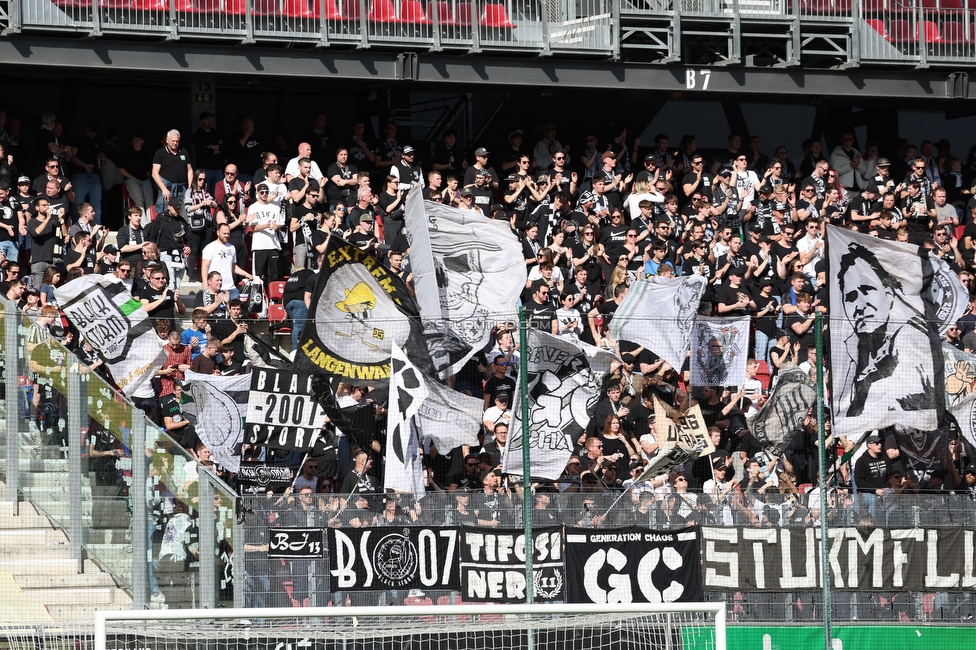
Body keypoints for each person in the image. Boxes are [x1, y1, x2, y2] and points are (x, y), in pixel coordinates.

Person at [836, 242, 936, 419]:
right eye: (850, 297)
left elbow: (908, 388)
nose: (859, 305)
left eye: (867, 290)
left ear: (889, 295)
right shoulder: (848, 345)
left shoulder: (909, 335)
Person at [151, 129, 193, 217]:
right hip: (168, 190)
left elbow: (189, 170)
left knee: (183, 215)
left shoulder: (184, 152)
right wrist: (163, 189)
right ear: (167, 140)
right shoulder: (160, 153)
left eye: (177, 141)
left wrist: (189, 188)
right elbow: (154, 173)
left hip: (182, 189)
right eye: (173, 141)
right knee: (167, 216)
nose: (175, 143)